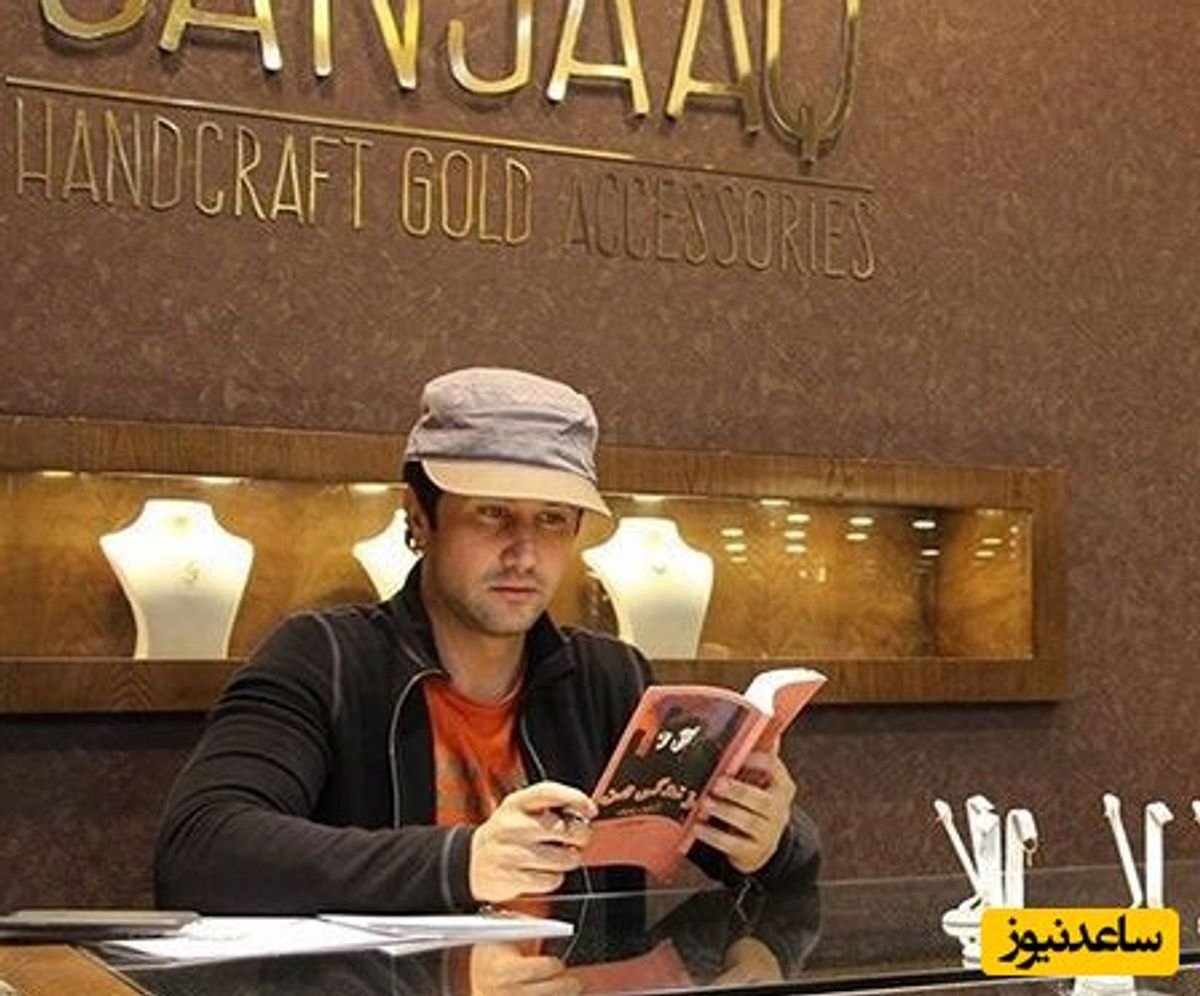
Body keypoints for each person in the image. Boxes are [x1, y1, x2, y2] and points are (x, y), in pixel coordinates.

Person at [154, 367, 819, 914]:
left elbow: (784, 874)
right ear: (419, 516)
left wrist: (767, 841)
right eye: (492, 513)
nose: (523, 553)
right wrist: (461, 860)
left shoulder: (610, 679)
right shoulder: (324, 660)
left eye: (552, 519)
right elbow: (199, 851)